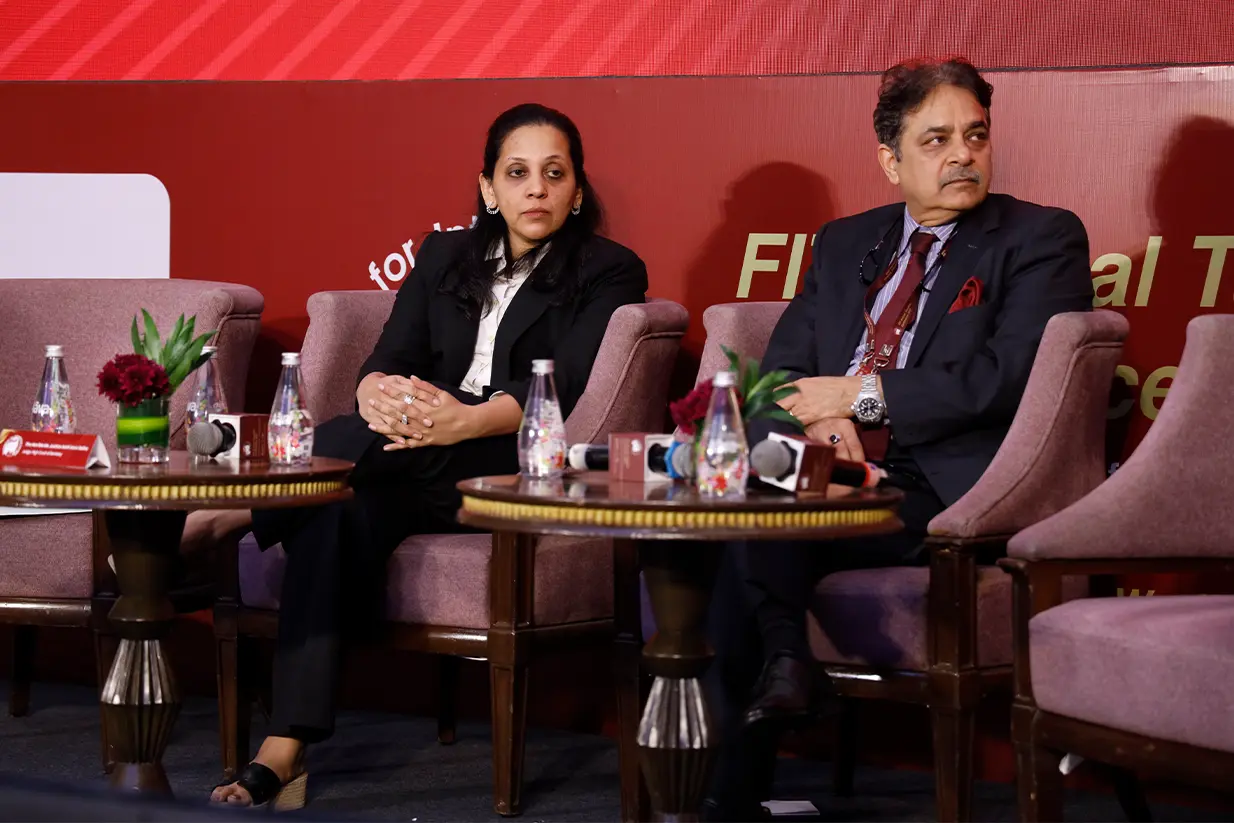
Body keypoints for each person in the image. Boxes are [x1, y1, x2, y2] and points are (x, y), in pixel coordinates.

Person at [190, 102, 649, 808]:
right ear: (488, 187)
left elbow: (565, 382)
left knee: (345, 459)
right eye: (517, 173)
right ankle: (286, 746)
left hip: (507, 461)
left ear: (577, 191)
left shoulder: (609, 270)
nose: (536, 189)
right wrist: (375, 391)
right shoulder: (444, 257)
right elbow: (389, 355)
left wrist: (464, 421)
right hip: (408, 456)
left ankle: (237, 509)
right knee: (332, 512)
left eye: (554, 174)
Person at [701, 58, 1095, 819]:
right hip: (826, 469)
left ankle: (732, 790)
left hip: (943, 485)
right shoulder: (844, 242)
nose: (963, 155)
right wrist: (821, 418)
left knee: (744, 524)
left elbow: (1007, 378)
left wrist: (860, 397)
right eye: (936, 140)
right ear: (891, 161)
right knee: (736, 506)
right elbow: (781, 372)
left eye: (975, 136)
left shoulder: (1040, 238)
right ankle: (782, 670)